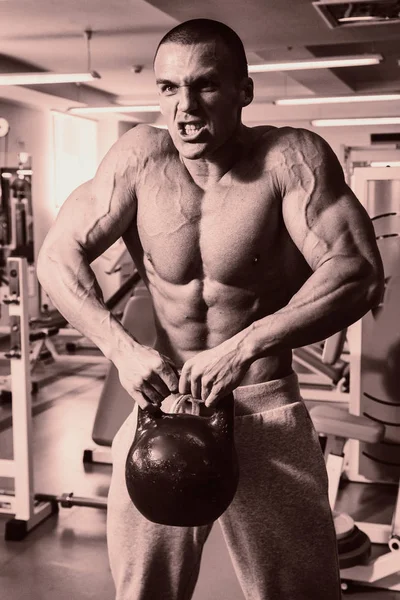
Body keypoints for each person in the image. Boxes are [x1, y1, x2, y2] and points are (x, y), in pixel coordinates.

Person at [37, 18, 384, 600]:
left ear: (243, 91)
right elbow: (56, 255)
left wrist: (246, 344)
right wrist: (120, 347)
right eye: (169, 88)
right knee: (143, 590)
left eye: (206, 86)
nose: (185, 107)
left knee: (300, 592)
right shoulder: (139, 159)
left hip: (261, 407)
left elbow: (358, 273)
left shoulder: (289, 159)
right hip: (160, 408)